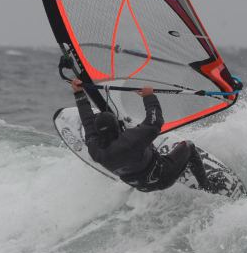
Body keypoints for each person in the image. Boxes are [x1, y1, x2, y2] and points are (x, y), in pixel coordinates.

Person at [71, 78, 213, 193]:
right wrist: (149, 96)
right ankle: (206, 186)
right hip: (164, 175)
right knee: (189, 145)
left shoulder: (95, 151)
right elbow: (155, 122)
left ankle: (178, 167)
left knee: (143, 144)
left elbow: (88, 123)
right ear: (116, 127)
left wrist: (79, 94)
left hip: (143, 187)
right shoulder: (131, 140)